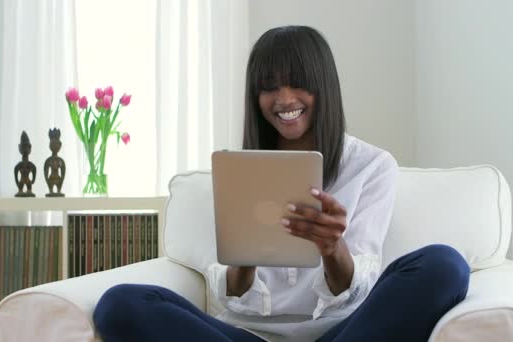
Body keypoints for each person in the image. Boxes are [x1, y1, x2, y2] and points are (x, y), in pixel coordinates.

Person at [92, 25, 470, 342]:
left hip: (345, 333)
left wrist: (332, 248)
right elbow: (231, 295)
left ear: (324, 87)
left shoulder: (371, 166)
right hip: (248, 336)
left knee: (445, 265)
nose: (284, 98)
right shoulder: (235, 171)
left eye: (298, 83)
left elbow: (356, 288)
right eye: (269, 87)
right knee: (119, 303)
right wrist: (244, 259)